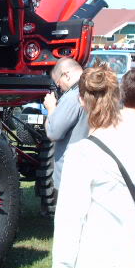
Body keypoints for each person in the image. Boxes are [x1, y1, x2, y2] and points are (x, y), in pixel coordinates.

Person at [50, 65, 135, 268]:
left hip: (96, 263)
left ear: (81, 101)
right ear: (118, 96)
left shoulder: (82, 153)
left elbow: (68, 225)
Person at [43, 57, 88, 191]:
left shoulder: (72, 96)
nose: (59, 87)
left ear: (66, 75)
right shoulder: (96, 91)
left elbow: (53, 132)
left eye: (58, 82)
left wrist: (51, 108)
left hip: (72, 176)